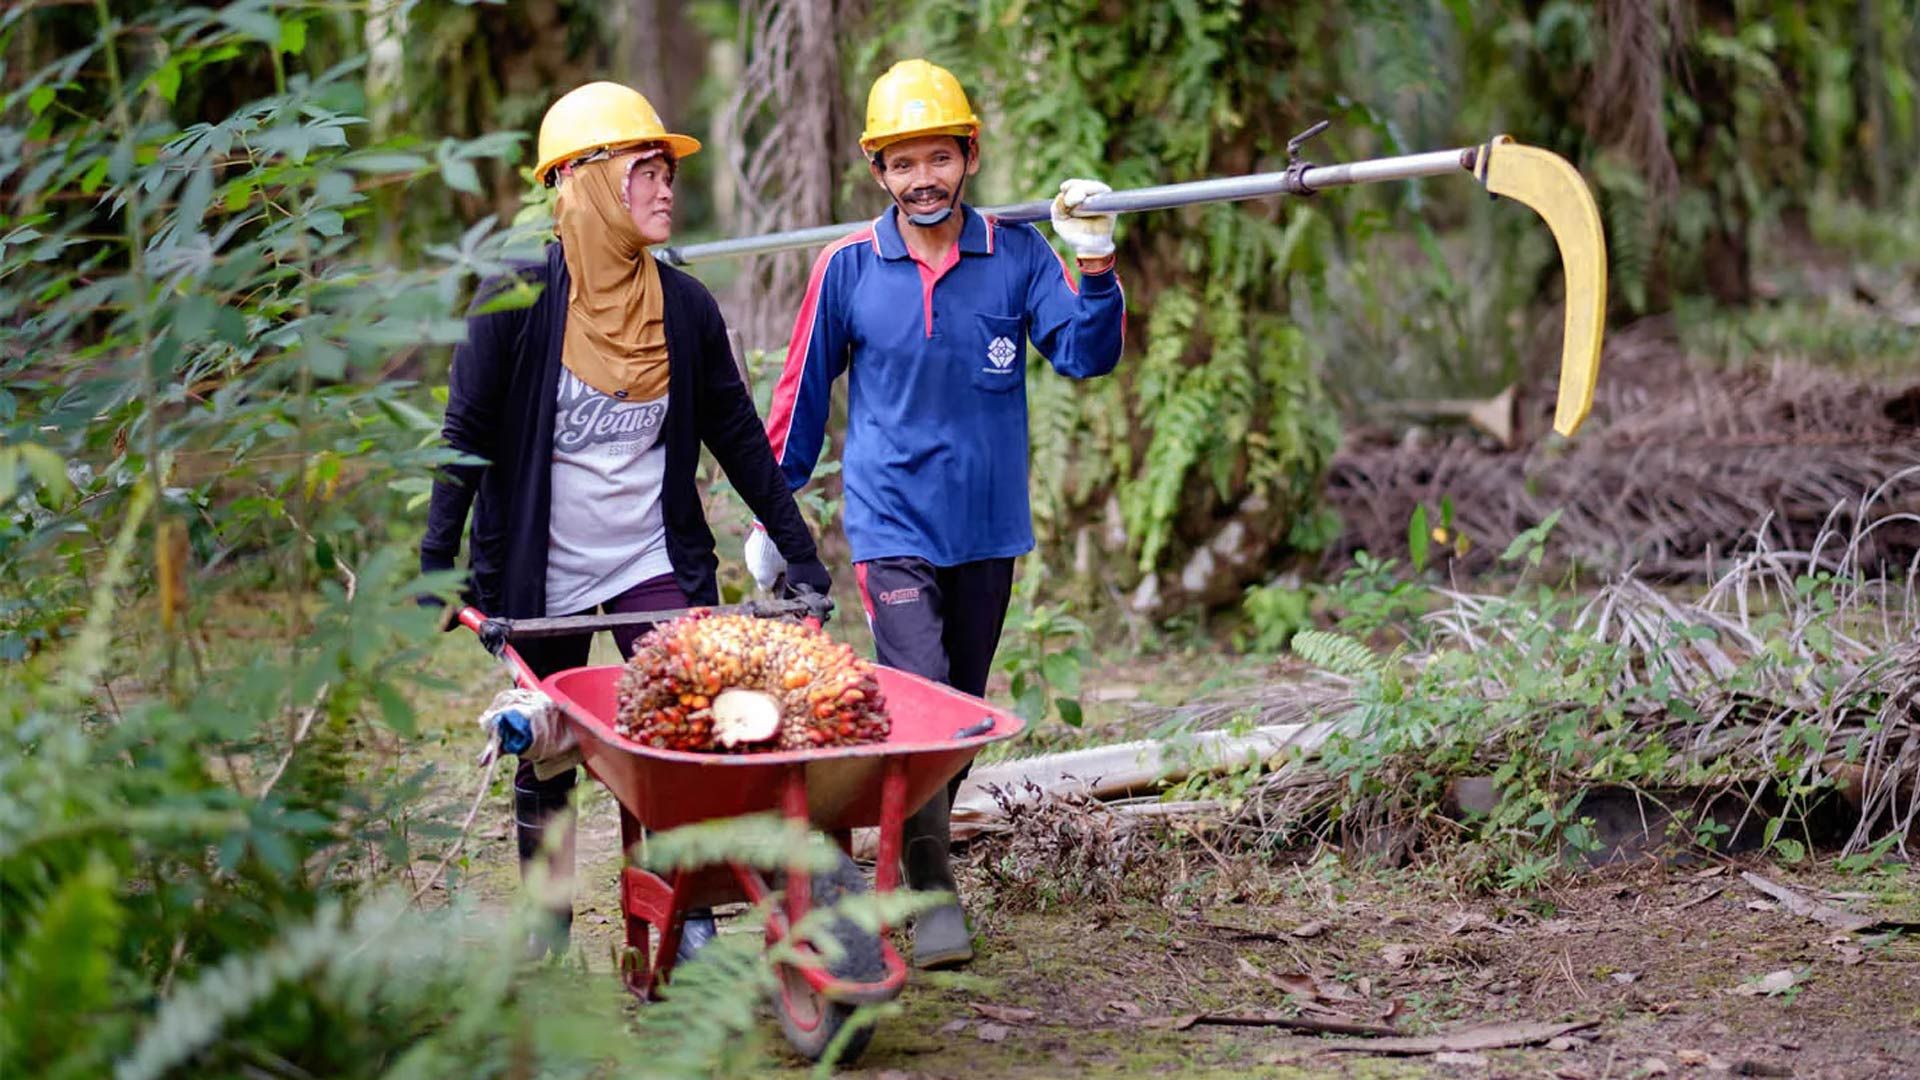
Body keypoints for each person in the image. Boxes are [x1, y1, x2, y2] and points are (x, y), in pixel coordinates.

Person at [420, 81, 832, 958]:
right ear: (585, 182)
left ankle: (688, 913)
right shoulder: (519, 297)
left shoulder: (682, 306)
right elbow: (464, 438)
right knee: (547, 752)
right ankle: (546, 919)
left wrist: (801, 552)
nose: (664, 188)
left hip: (648, 558)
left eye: (666, 171)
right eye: (644, 170)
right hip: (541, 573)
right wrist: (435, 564)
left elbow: (737, 440)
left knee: (681, 735)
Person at [744, 58, 1125, 969]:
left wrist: (1098, 260)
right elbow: (799, 401)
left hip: (989, 529)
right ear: (878, 171)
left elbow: (1084, 354)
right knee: (916, 704)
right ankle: (931, 888)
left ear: (969, 156)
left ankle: (917, 859)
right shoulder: (847, 268)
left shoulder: (1018, 255)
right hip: (890, 528)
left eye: (939, 158)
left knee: (956, 711)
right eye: (903, 162)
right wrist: (772, 510)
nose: (924, 180)